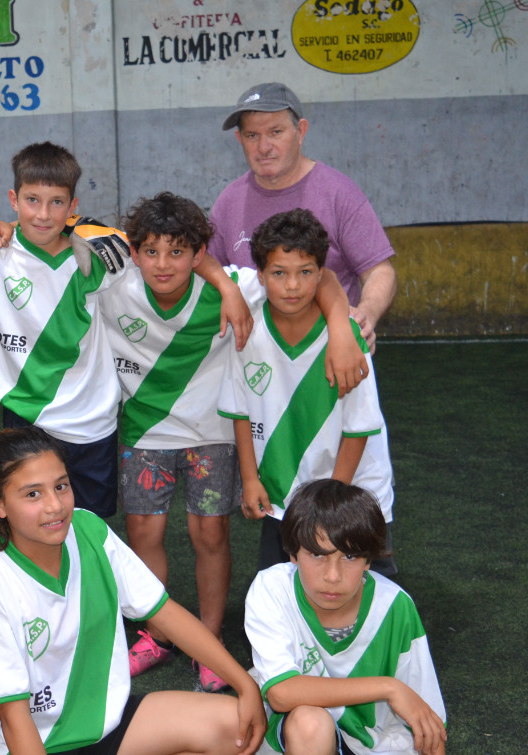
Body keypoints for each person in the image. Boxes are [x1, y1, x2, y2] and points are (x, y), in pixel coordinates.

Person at [102, 193, 361, 692]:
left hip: (213, 435)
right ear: (134, 252)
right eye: (151, 251)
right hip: (145, 432)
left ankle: (209, 637)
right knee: (144, 538)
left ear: (200, 252)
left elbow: (319, 274)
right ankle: (156, 634)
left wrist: (340, 328)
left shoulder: (241, 286)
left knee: (210, 537)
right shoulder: (112, 286)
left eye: (178, 252)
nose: (163, 264)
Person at [0, 141, 253, 520]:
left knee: (92, 529)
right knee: (27, 523)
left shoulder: (102, 253)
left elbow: (174, 249)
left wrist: (226, 286)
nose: (43, 213)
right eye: (32, 200)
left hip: (92, 421)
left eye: (57, 203)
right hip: (24, 415)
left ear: (73, 207)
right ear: (13, 199)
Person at [0, 426, 267, 755]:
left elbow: (165, 613)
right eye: (33, 494)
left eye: (61, 486)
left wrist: (243, 683)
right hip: (29, 742)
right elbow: (13, 716)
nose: (55, 505)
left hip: (103, 725)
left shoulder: (89, 530)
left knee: (232, 726)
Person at [217, 209, 394, 575]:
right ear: (260, 276)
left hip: (350, 494)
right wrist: (250, 479)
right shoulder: (248, 332)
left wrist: (333, 500)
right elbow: (240, 412)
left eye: (305, 272)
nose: (293, 286)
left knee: (358, 594)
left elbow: (359, 428)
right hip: (282, 495)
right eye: (279, 273)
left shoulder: (346, 339)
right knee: (280, 592)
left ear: (321, 273)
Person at [244, 479, 446, 755]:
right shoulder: (272, 590)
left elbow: (427, 724)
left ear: (369, 560)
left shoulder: (395, 606)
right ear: (293, 553)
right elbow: (281, 693)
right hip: (299, 738)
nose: (332, 576)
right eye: (317, 554)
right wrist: (389, 688)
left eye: (350, 556)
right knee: (308, 722)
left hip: (377, 744)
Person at [209, 82, 397, 350]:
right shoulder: (229, 201)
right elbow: (208, 271)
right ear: (240, 140)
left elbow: (379, 271)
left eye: (276, 132)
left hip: (327, 353)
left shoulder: (338, 193)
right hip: (252, 362)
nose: (264, 147)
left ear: (301, 132)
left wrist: (366, 313)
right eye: (252, 136)